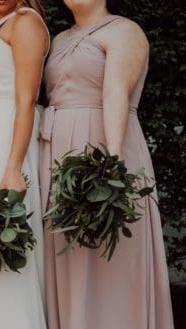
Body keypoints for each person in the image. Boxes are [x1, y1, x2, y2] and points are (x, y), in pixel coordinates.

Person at [39, 1, 174, 328]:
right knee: (70, 252)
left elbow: (116, 93)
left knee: (110, 256)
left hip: (103, 148)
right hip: (59, 157)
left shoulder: (124, 31)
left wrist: (110, 164)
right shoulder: (57, 39)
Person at [0, 0, 49, 328]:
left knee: (7, 235)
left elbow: (26, 99)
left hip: (7, 134)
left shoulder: (26, 22)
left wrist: (14, 166)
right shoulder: (0, 24)